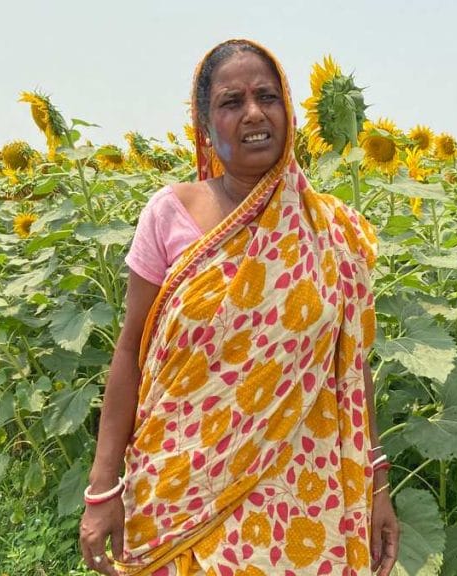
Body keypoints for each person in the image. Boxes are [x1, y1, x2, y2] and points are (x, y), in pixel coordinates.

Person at [78, 39, 399, 576]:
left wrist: (376, 479)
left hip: (301, 502)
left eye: (267, 96)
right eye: (231, 101)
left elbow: (352, 369)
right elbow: (130, 350)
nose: (254, 112)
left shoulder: (332, 230)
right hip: (178, 487)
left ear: (288, 109)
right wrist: (102, 486)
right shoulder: (169, 214)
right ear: (205, 125)